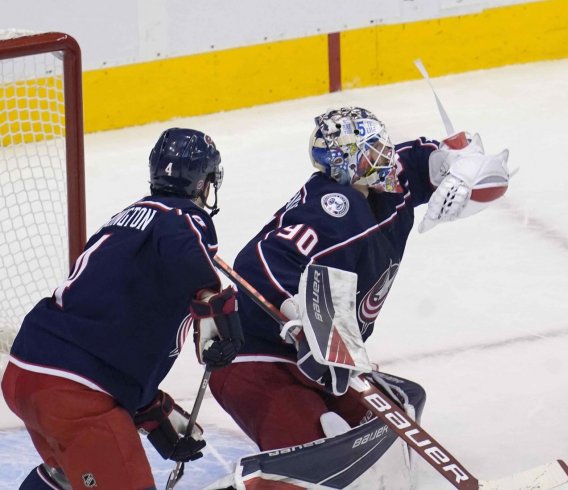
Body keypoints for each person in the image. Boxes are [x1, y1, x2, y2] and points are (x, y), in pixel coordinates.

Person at [208, 107, 510, 487]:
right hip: (253, 358)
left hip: (323, 357)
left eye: (381, 143)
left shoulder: (387, 184)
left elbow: (431, 159)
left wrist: (461, 163)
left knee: (385, 419)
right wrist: (300, 320)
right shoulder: (331, 208)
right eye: (373, 149)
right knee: (310, 454)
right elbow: (256, 262)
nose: (385, 154)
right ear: (347, 164)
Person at [1, 128, 244, 489]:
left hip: (27, 373)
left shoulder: (122, 220)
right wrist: (211, 299)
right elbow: (187, 251)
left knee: (67, 477)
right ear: (202, 183)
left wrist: (146, 405)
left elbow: (118, 319)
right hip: (76, 391)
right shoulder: (185, 218)